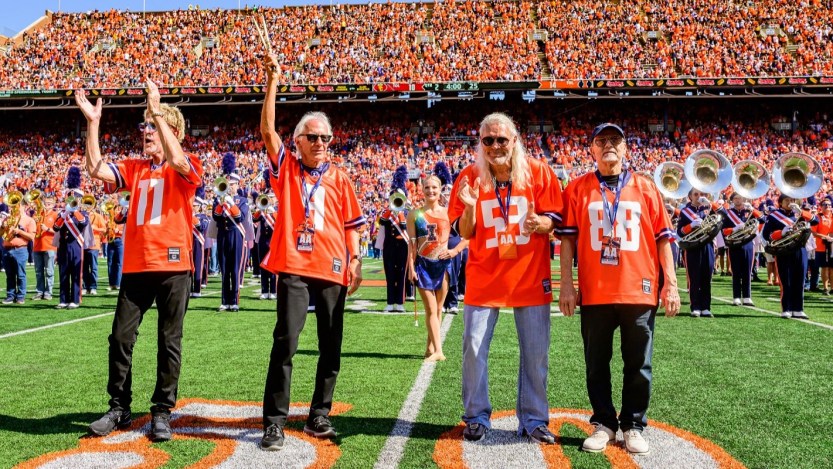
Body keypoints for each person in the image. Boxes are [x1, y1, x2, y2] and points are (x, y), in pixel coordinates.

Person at [75, 78, 204, 442]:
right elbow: (96, 169)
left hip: (174, 267)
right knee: (119, 338)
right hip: (136, 265)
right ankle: (119, 406)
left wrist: (158, 108)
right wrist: (93, 123)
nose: (146, 132)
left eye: (153, 125)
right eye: (145, 125)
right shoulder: (135, 167)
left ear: (172, 130)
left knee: (169, 341)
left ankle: (162, 410)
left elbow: (177, 158)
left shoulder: (187, 162)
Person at [259, 52, 364, 451]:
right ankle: (274, 421)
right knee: (286, 342)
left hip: (333, 267)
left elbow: (353, 226)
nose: (321, 143)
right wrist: (273, 81)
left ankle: (320, 412)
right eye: (313, 137)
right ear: (298, 142)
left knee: (331, 345)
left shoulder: (340, 177)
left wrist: (354, 261)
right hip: (295, 266)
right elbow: (268, 131)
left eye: (326, 138)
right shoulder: (286, 167)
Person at [558, 123, 680, 456]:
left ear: (626, 149)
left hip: (638, 289)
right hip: (595, 291)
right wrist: (567, 284)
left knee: (639, 364)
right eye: (602, 141)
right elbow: (567, 239)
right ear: (592, 150)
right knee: (596, 363)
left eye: (616, 140)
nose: (609, 145)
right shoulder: (577, 188)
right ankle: (604, 423)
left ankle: (633, 424)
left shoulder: (645, 186)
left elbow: (663, 239)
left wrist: (670, 283)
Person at [448, 112, 563, 445]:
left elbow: (556, 221)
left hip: (529, 273)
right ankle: (476, 416)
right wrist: (469, 206)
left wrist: (541, 224)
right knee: (472, 347)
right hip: (485, 275)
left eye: (501, 139)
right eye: (488, 140)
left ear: (515, 140)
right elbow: (464, 232)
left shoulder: (539, 173)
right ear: (480, 144)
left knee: (536, 352)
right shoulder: (470, 177)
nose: (495, 145)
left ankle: (534, 419)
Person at [407, 170, 451, 362]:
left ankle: (430, 347)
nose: (430, 191)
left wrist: (454, 251)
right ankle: (438, 351)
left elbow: (466, 235)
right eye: (427, 187)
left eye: (434, 187)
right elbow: (412, 244)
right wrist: (411, 267)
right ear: (421, 190)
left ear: (440, 190)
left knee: (439, 309)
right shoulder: (415, 214)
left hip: (444, 263)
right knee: (431, 310)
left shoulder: (449, 212)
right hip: (423, 264)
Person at [762, 194, 819, 319]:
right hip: (784, 250)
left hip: (800, 249)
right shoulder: (773, 216)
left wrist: (801, 211)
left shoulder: (800, 214)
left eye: (792, 200)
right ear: (780, 202)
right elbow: (766, 235)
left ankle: (798, 309)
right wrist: (781, 233)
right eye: (786, 200)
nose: (789, 202)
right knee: (786, 280)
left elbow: (816, 221)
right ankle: (786, 308)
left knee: (800, 279)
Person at [212, 153, 251, 312]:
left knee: (234, 268)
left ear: (237, 185)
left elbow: (240, 217)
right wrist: (222, 203)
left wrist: (230, 203)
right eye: (228, 183)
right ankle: (224, 301)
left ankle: (234, 301)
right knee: (224, 268)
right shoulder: (217, 199)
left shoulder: (242, 201)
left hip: (236, 234)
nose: (230, 186)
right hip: (223, 234)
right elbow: (215, 216)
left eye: (232, 184)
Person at [54, 170, 90, 309]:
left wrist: (74, 210)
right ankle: (63, 299)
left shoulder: (83, 213)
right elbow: (56, 228)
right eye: (69, 199)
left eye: (74, 199)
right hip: (63, 246)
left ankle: (75, 300)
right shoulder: (63, 214)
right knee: (63, 272)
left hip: (76, 245)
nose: (71, 201)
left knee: (76, 273)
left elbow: (83, 223)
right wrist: (64, 215)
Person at [677, 189, 716, 317]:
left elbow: (723, 216)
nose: (699, 197)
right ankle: (695, 306)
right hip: (692, 246)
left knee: (707, 277)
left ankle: (706, 306)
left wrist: (711, 204)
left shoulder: (709, 209)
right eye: (696, 194)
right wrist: (691, 226)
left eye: (702, 194)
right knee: (694, 277)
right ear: (690, 197)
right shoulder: (685, 212)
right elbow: (680, 232)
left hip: (708, 245)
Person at [719, 193, 762, 306]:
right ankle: (736, 297)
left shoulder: (749, 211)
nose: (738, 200)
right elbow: (723, 231)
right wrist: (734, 229)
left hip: (748, 243)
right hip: (734, 244)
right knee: (736, 271)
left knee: (747, 271)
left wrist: (753, 210)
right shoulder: (728, 214)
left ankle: (747, 297)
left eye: (740, 198)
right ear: (732, 200)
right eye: (736, 198)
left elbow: (762, 219)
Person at [380, 165, 411, 312]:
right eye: (394, 197)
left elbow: (406, 229)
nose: (396, 199)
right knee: (390, 273)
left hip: (403, 246)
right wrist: (390, 210)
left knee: (401, 273)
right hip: (389, 246)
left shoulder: (407, 212)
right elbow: (382, 223)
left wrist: (400, 214)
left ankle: (400, 303)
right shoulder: (387, 212)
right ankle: (389, 302)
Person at [1, 195, 36, 305]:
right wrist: (2, 227)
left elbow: (31, 237)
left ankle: (20, 296)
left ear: (24, 206)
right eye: (13, 205)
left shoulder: (29, 220)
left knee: (21, 274)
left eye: (17, 205)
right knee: (9, 275)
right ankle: (10, 296)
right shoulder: (7, 218)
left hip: (20, 249)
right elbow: (1, 234)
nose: (14, 207)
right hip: (7, 248)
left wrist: (19, 231)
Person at [252, 172, 277, 300]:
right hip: (262, 241)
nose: (270, 200)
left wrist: (272, 213)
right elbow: (254, 219)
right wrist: (260, 210)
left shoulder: (277, 210)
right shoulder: (262, 211)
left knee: (272, 266)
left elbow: (280, 223)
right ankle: (264, 290)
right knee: (263, 265)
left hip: (273, 241)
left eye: (271, 197)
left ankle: (273, 290)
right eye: (269, 197)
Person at [32, 196, 58, 301]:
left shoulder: (56, 215)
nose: (47, 205)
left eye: (49, 203)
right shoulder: (38, 214)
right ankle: (39, 292)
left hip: (50, 246)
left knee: (49, 271)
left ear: (53, 204)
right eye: (46, 203)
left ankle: (48, 292)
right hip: (37, 246)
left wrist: (47, 229)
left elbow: (59, 231)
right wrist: (34, 221)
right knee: (38, 271)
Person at [83, 196, 107, 295]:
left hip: (94, 244)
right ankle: (85, 286)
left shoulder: (98, 216)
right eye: (86, 204)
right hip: (83, 244)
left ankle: (93, 286)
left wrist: (95, 228)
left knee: (93, 267)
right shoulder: (82, 215)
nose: (88, 206)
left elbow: (104, 229)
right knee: (84, 267)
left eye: (90, 204)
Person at [191, 186, 210, 298]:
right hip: (188, 243)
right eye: (192, 205)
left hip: (198, 244)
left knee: (198, 266)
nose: (193, 208)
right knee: (189, 268)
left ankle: (197, 289)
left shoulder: (203, 217)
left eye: (195, 206)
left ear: (199, 207)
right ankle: (189, 289)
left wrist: (192, 216)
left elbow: (201, 227)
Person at [812, 198, 833, 295]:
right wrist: (825, 237)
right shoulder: (818, 217)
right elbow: (813, 232)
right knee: (824, 267)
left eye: (829, 204)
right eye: (825, 204)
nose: (828, 206)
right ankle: (825, 288)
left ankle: (832, 287)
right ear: (821, 207)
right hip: (821, 246)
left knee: (832, 268)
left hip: (832, 246)